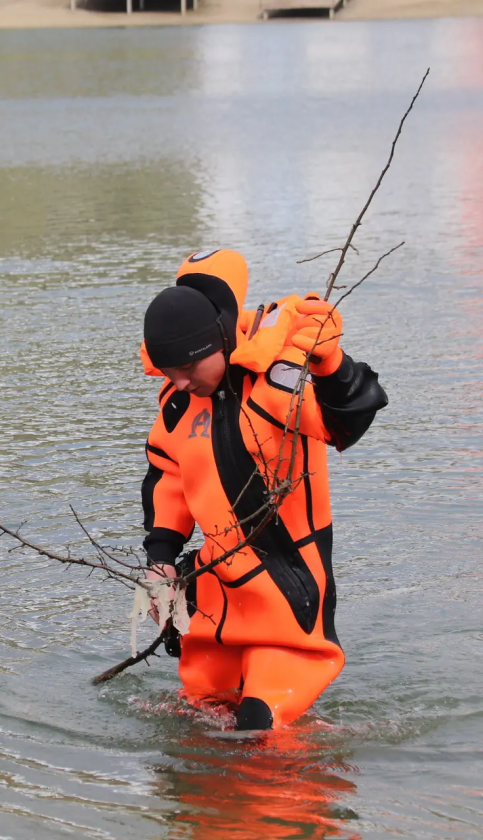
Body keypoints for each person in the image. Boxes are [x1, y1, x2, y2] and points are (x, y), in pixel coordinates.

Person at [139, 249, 388, 731]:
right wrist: (161, 560)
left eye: (189, 368)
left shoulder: (279, 382)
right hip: (215, 601)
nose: (181, 382)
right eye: (170, 372)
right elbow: (167, 479)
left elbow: (347, 420)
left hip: (287, 598)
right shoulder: (177, 407)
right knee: (200, 722)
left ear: (219, 341)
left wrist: (330, 363)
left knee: (260, 729)